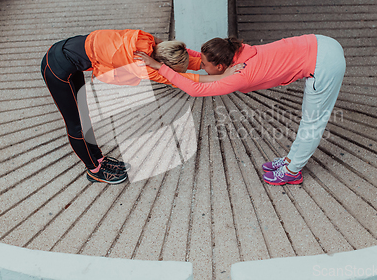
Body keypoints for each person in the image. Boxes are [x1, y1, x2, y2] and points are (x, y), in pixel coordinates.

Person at [135, 34, 346, 186]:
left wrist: (159, 67)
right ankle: (291, 160)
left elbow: (196, 89)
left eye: (204, 65)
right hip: (320, 43)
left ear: (219, 68)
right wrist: (168, 50)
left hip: (325, 64)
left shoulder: (240, 75)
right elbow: (199, 57)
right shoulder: (234, 51)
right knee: (308, 121)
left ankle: (292, 172)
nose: (200, 64)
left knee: (313, 121)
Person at [41, 29, 240, 185]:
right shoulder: (143, 66)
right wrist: (222, 76)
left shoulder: (148, 41)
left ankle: (98, 160)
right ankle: (94, 170)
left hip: (64, 54)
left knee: (85, 115)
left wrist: (216, 64)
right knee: (76, 124)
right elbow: (184, 79)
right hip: (57, 69)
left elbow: (183, 57)